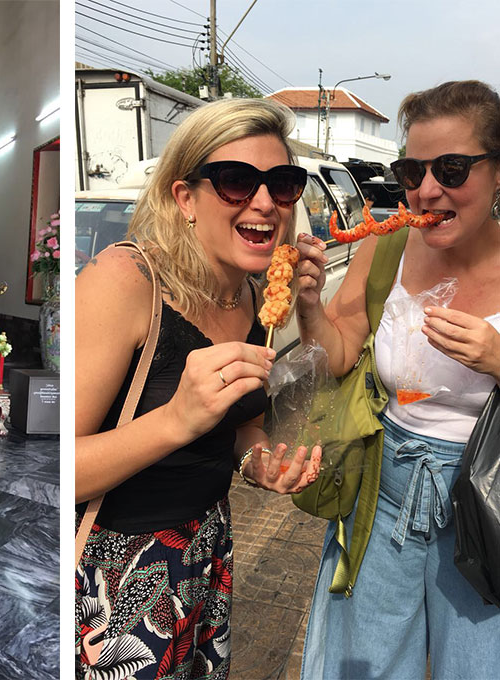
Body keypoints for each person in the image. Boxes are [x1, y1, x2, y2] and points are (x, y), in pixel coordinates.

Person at [75, 98, 323, 680]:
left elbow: (238, 427)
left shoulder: (254, 297)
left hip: (209, 550)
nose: (264, 202)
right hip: (119, 570)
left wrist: (259, 459)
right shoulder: (127, 281)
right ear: (185, 198)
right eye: (236, 182)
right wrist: (173, 420)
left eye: (283, 185)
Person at [296, 80, 500, 679]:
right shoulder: (385, 251)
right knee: (369, 669)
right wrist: (310, 309)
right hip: (384, 495)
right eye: (412, 170)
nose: (428, 189)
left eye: (453, 168)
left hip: (488, 505)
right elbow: (335, 355)